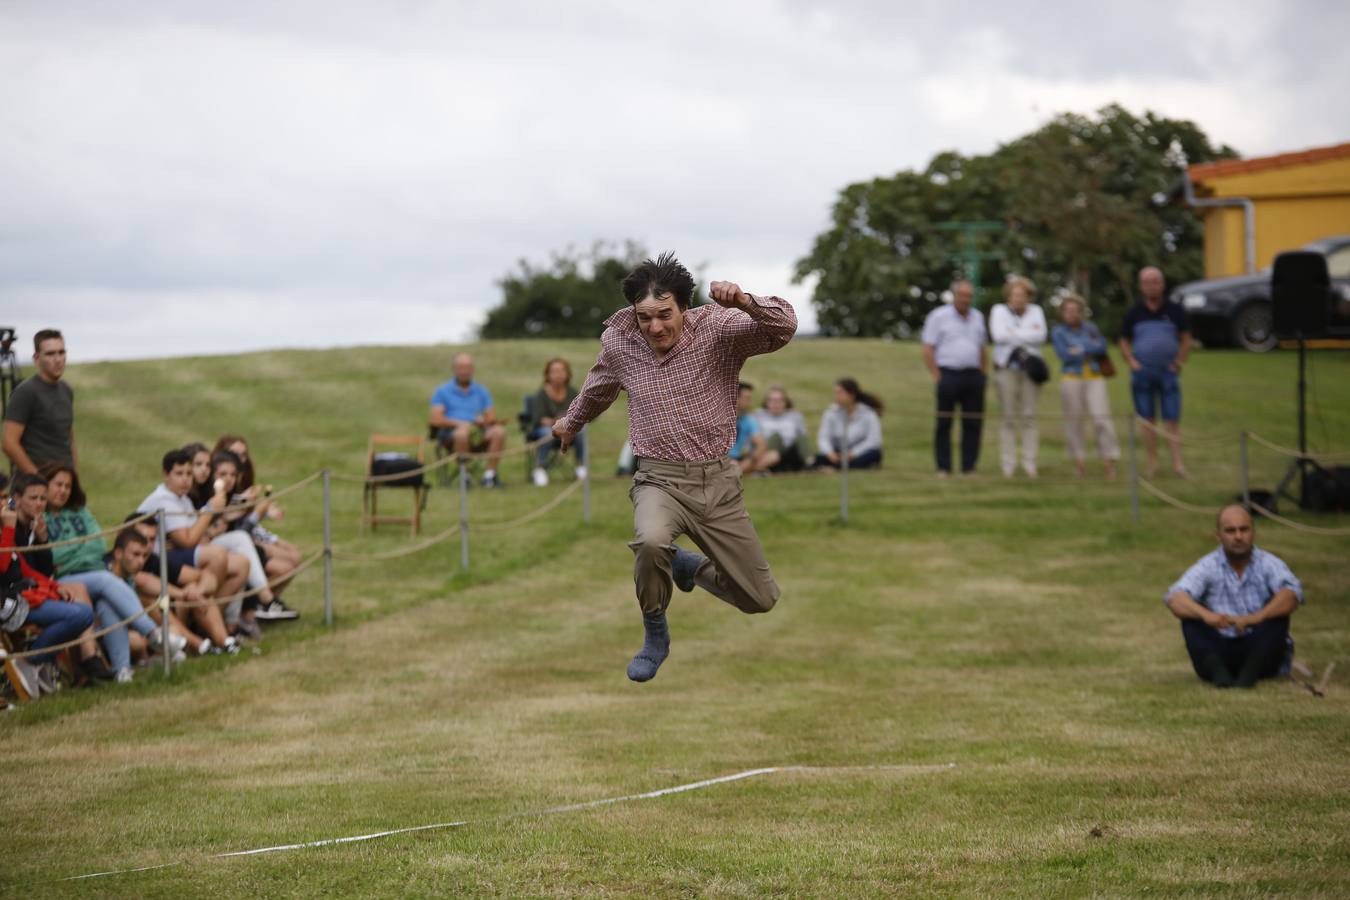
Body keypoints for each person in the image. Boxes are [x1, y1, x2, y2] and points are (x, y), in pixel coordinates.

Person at [552, 252, 796, 683]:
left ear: (684, 306)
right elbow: (598, 388)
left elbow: (783, 328)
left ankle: (689, 568)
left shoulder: (719, 329)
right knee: (650, 541)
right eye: (645, 318)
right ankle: (655, 631)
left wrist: (743, 301)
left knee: (760, 598)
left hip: (718, 483)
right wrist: (570, 423)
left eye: (665, 314)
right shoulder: (621, 343)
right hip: (658, 479)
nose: (656, 327)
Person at [40, 462, 186, 681]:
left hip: (93, 574)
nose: (63, 491)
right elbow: (52, 557)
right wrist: (80, 548)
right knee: (106, 579)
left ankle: (122, 670)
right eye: (58, 485)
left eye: (67, 486)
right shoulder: (41, 519)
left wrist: (70, 550)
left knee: (108, 604)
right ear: (46, 485)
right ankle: (154, 634)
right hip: (65, 580)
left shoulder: (81, 512)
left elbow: (98, 545)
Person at [1164, 505, 1303, 688]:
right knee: (1191, 618)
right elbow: (1175, 597)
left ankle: (1249, 674)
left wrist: (1255, 618)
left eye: (1244, 529)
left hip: (1259, 650)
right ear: (1218, 535)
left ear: (1253, 532)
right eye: (1230, 531)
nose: (1238, 536)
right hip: (1219, 648)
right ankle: (1219, 674)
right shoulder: (1207, 565)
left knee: (1278, 615)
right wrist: (1207, 616)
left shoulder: (1270, 564)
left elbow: (1292, 595)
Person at [1, 472, 104, 696]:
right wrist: (9, 529)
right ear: (17, 499)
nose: (39, 504)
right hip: (10, 603)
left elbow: (33, 569)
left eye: (42, 499)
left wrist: (43, 541)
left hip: (24, 594)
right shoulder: (10, 526)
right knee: (80, 614)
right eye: (33, 498)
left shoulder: (26, 526)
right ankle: (31, 660)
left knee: (81, 610)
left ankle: (38, 662)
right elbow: (2, 566)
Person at [137, 449, 245, 651]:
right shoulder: (163, 498)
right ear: (165, 475)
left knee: (240, 564)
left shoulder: (183, 498)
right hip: (155, 561)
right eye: (179, 474)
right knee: (217, 556)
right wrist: (210, 509)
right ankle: (200, 616)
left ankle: (200, 610)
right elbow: (187, 540)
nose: (186, 479)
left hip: (177, 558)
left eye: (188, 474)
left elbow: (198, 538)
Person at [1120, 266, 1192, 478]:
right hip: (1142, 373)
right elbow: (1123, 340)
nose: (1151, 286)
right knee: (1147, 420)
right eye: (1147, 282)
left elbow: (1186, 339)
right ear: (1141, 286)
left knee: (1172, 419)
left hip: (1168, 372)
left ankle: (1178, 464)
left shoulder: (1175, 310)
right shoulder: (1135, 312)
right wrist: (1132, 362)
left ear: (1162, 284)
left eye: (1155, 282)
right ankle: (1152, 464)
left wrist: (1179, 362)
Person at [922, 280, 988, 477]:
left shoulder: (978, 317)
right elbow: (928, 348)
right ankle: (943, 467)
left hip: (973, 376)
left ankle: (969, 466)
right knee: (944, 423)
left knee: (973, 424)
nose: (965, 300)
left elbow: (982, 348)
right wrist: (936, 374)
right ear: (954, 296)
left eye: (969, 296)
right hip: (948, 374)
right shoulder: (939, 316)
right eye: (962, 295)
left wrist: (982, 374)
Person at [1051, 295, 1119, 479]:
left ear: (1081, 312)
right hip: (1071, 378)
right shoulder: (1058, 332)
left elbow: (1102, 347)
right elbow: (1064, 355)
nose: (1072, 314)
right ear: (1063, 313)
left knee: (1101, 418)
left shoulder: (1091, 328)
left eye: (1075, 310)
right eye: (1068, 311)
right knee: (1074, 421)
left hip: (1095, 377)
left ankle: (1108, 461)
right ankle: (1079, 463)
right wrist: (1087, 349)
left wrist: (1078, 348)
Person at [989, 276, 1047, 478]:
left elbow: (1040, 336)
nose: (1018, 299)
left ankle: (1030, 463)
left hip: (1030, 371)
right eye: (1015, 295)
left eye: (1022, 295)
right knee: (1008, 417)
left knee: (1029, 416)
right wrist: (1025, 334)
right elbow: (998, 336)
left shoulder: (1036, 312)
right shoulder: (998, 311)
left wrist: (1013, 333)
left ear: (1028, 297)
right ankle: (1008, 464)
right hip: (1006, 369)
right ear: (1009, 295)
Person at [3, 329, 76, 475]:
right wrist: (39, 481)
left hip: (63, 487)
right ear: (36, 358)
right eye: (50, 354)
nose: (58, 359)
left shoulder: (66, 390)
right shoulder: (25, 392)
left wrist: (74, 481)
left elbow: (69, 438)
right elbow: (9, 443)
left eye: (61, 353)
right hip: (34, 491)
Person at [429, 353, 507, 488]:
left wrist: (483, 421)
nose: (464, 371)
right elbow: (436, 419)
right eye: (461, 368)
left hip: (478, 431)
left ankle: (489, 476)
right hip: (450, 434)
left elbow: (491, 417)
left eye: (468, 368)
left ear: (472, 370)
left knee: (499, 431)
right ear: (454, 368)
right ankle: (465, 476)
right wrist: (461, 424)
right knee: (462, 433)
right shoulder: (442, 391)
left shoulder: (481, 391)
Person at [528, 358, 587, 487]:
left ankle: (581, 466)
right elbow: (538, 418)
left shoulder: (572, 392)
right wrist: (555, 422)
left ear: (567, 374)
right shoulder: (542, 394)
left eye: (561, 371)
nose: (558, 374)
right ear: (548, 375)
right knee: (546, 433)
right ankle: (540, 468)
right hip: (545, 430)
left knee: (582, 432)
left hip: (568, 429)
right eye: (554, 371)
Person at [813, 378, 884, 470]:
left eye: (840, 393)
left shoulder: (868, 414)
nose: (836, 396)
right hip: (839, 452)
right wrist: (829, 453)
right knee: (819, 458)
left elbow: (873, 440)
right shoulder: (830, 413)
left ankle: (834, 468)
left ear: (852, 395)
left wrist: (853, 453)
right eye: (835, 393)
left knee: (873, 454)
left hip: (861, 452)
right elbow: (823, 437)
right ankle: (835, 466)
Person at [754, 386, 808, 473]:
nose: (776, 404)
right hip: (767, 451)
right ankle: (761, 466)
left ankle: (810, 464)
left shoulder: (795, 416)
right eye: (772, 400)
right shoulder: (758, 416)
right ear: (767, 402)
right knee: (775, 437)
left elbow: (803, 437)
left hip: (790, 452)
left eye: (779, 400)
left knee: (800, 438)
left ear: (785, 402)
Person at [729, 382, 774, 475]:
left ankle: (742, 471)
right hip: (721, 460)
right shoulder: (721, 418)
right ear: (735, 398)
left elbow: (761, 444)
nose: (750, 402)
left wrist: (750, 461)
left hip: (739, 459)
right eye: (747, 398)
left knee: (772, 455)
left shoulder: (748, 419)